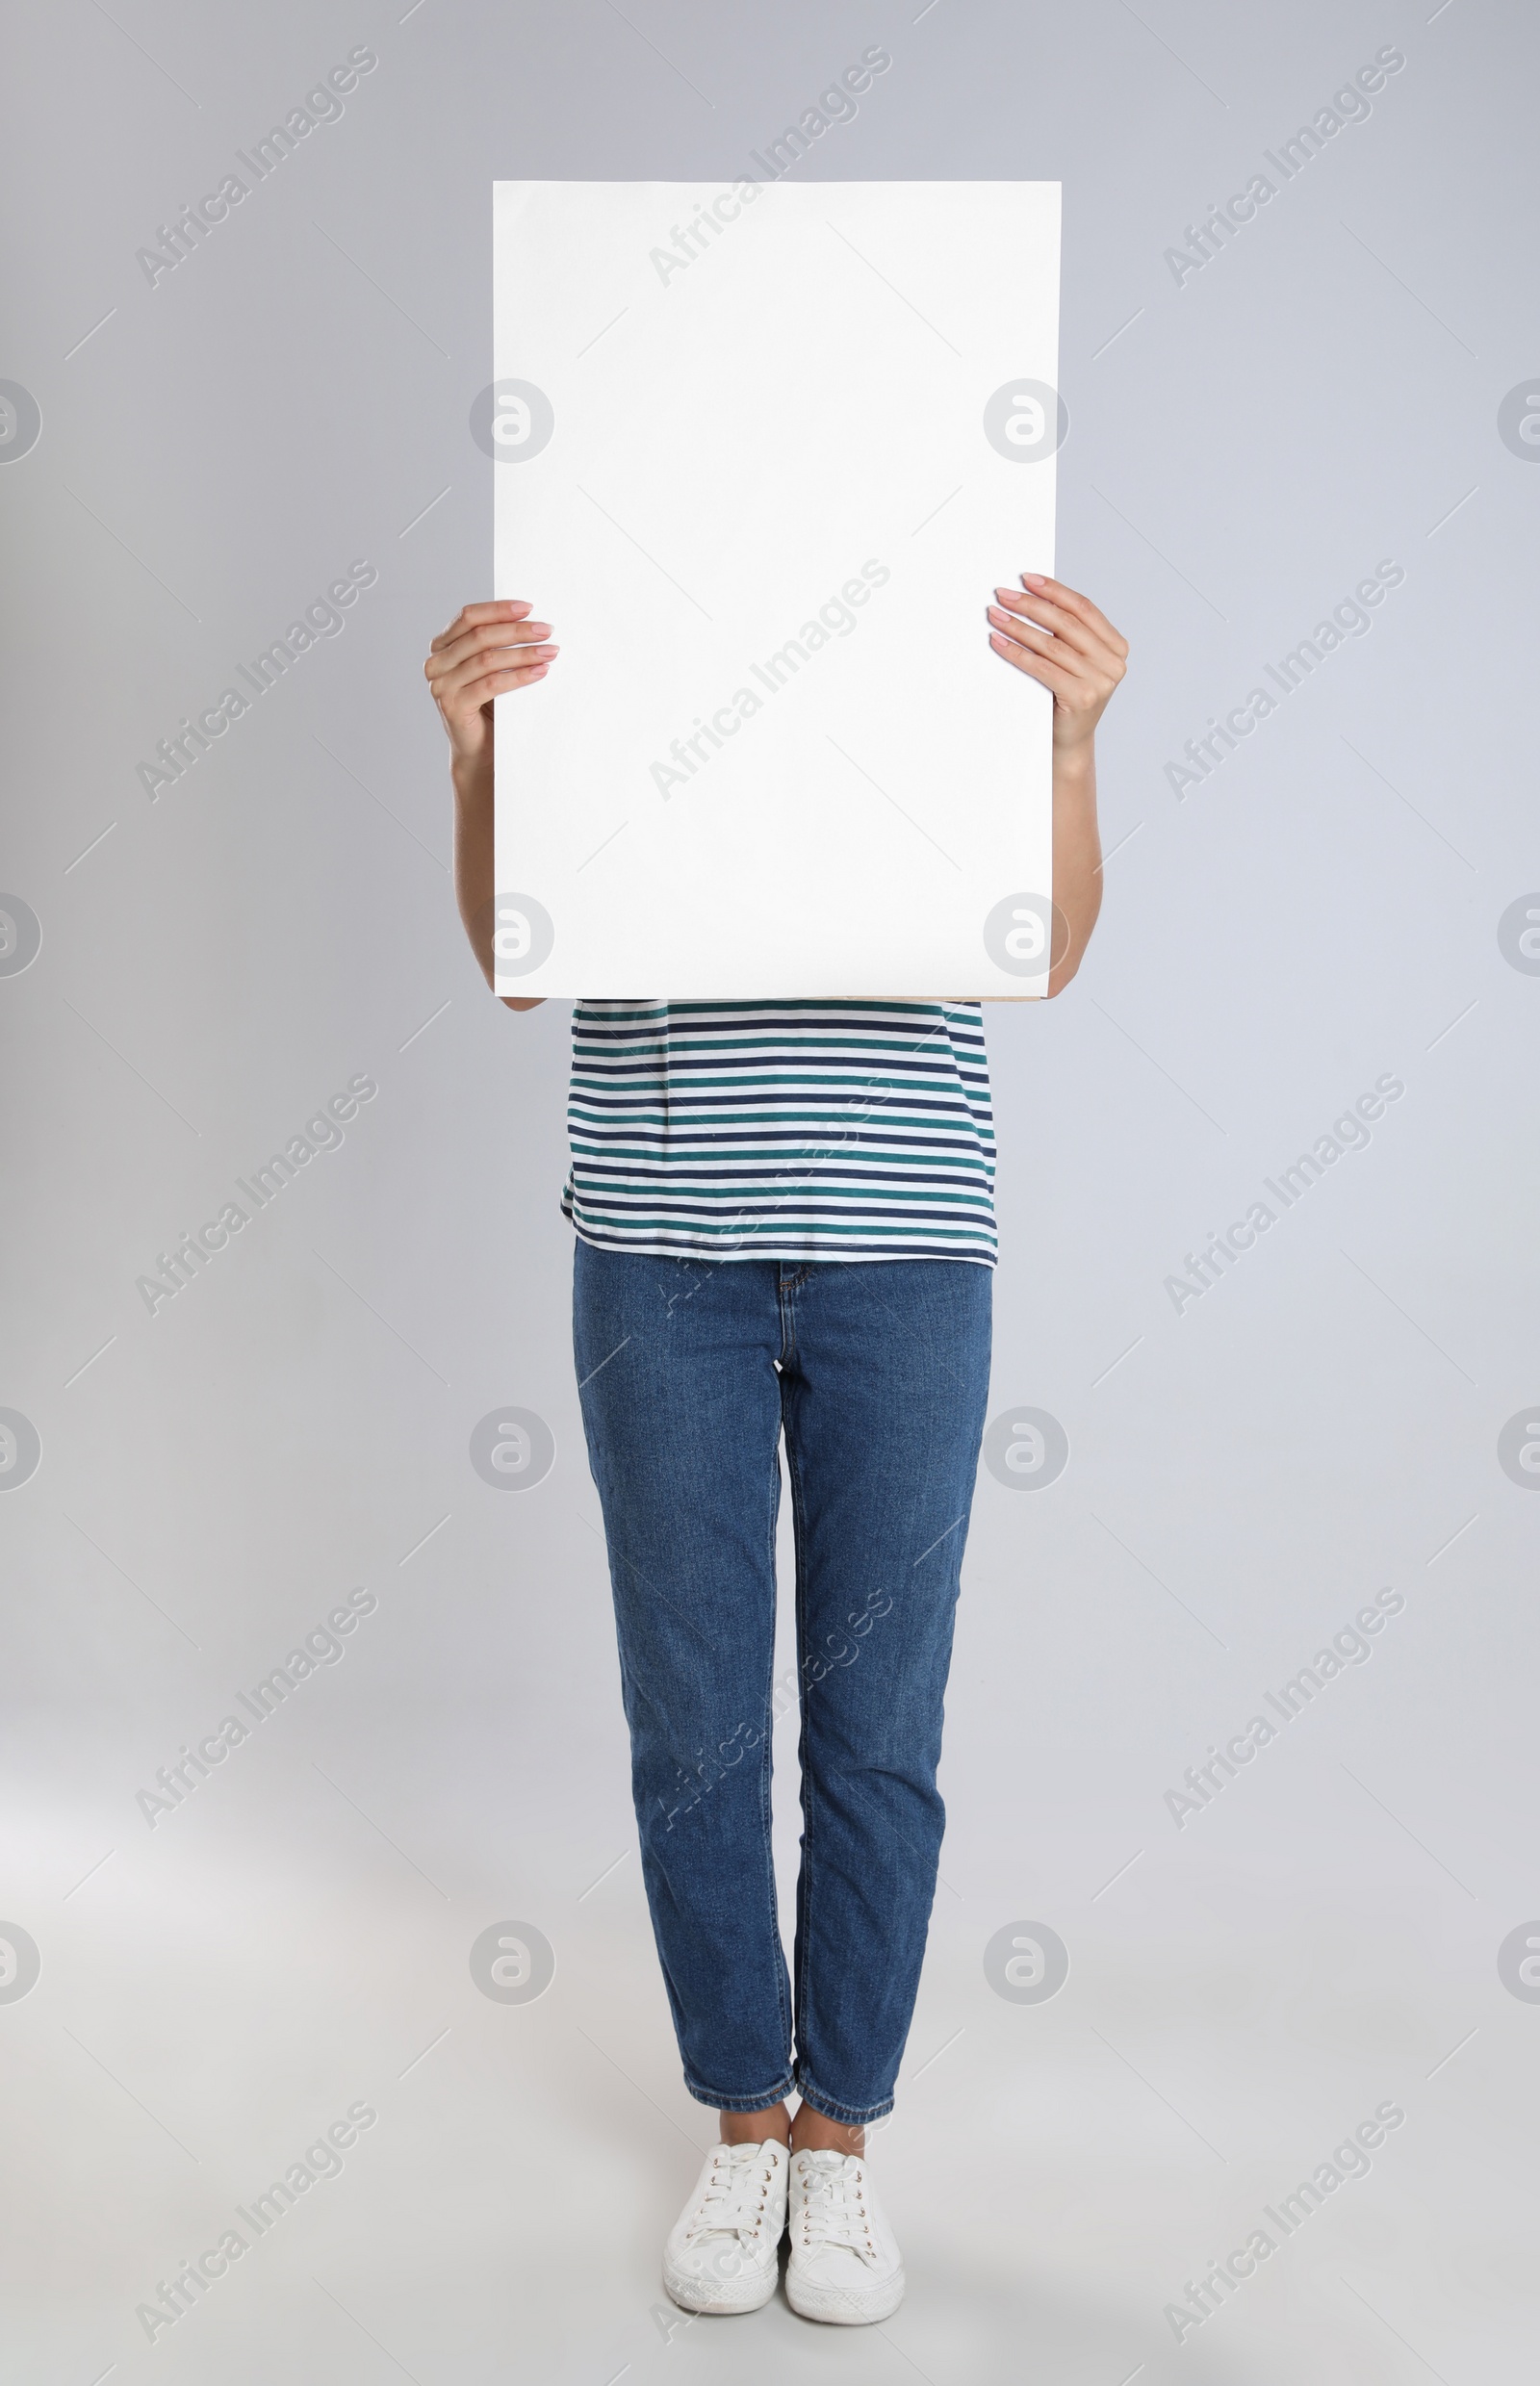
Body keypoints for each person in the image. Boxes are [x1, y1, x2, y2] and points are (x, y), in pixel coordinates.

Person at [426, 573, 1126, 2324]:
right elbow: (522, 976)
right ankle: (744, 2121)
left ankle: (841, 2139)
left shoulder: (924, 582)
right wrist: (475, 761)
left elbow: (1038, 952)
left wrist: (1068, 742)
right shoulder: (629, 575)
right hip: (664, 1247)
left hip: (907, 1252)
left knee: (881, 1727)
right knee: (696, 1722)